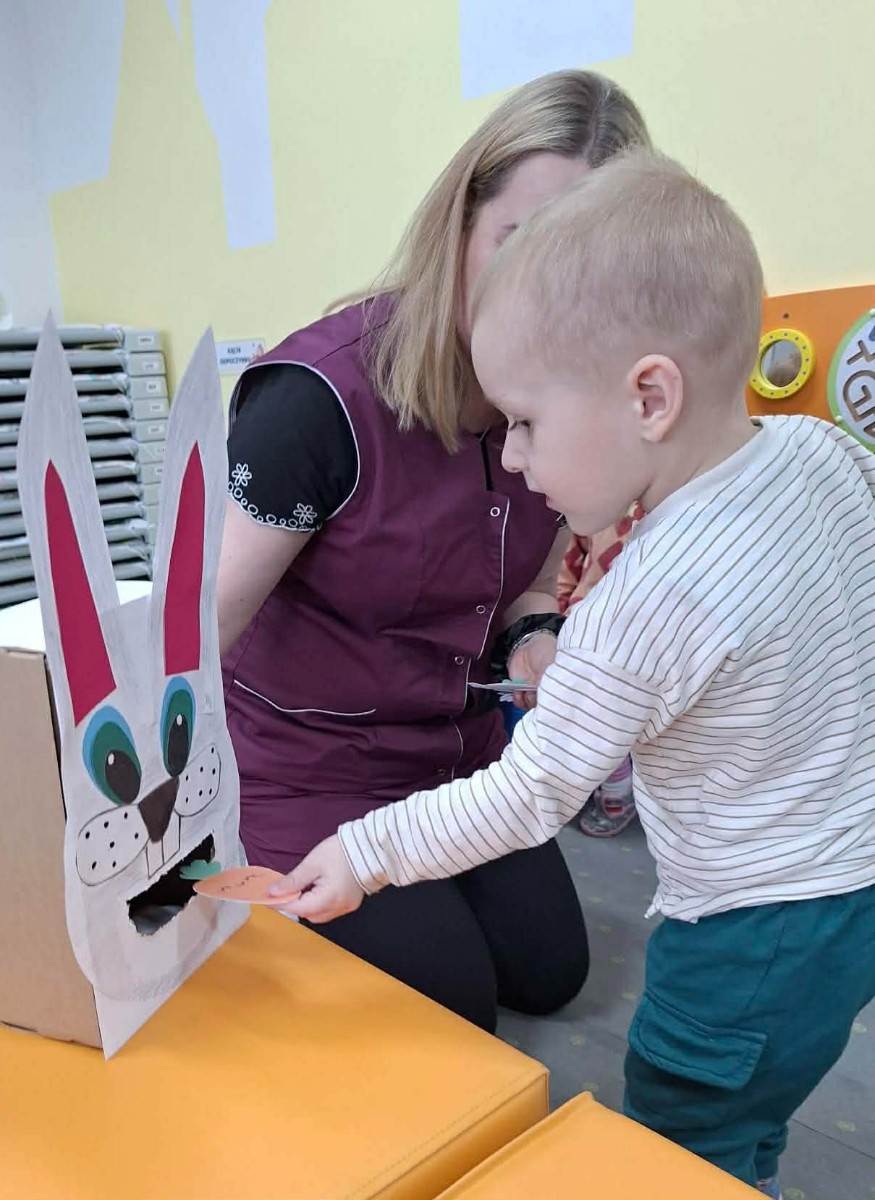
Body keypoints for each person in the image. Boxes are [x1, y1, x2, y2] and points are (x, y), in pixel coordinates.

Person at [271, 152, 875, 1197]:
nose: (509, 457)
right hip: (848, 894)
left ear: (649, 397)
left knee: (685, 1144)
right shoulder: (819, 453)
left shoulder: (649, 598)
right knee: (755, 1113)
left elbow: (526, 794)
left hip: (744, 937)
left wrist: (364, 854)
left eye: (526, 421)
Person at [218, 70, 652, 1032]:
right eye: (520, 245)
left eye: (585, 268)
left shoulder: (564, 402)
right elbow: (190, 643)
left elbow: (530, 581)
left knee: (549, 973)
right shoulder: (318, 401)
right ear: (458, 224)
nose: (544, 297)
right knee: (456, 1007)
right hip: (306, 768)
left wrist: (534, 639)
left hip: (457, 756)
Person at [558, 505, 643, 836]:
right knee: (579, 709)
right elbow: (570, 558)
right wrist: (557, 612)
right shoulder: (599, 499)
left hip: (632, 633)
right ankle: (599, 782)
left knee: (608, 715)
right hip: (581, 622)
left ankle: (617, 788)